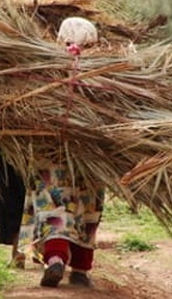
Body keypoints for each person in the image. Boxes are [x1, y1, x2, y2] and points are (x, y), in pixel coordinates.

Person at [17, 17, 105, 288]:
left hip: (49, 156)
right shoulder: (108, 74)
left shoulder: (44, 69)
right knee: (86, 209)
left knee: (53, 206)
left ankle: (55, 258)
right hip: (91, 156)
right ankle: (80, 269)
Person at [0, 0, 41, 269]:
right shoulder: (3, 43)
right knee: (20, 190)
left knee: (26, 191)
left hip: (23, 131)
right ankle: (20, 252)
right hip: (12, 130)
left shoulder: (40, 44)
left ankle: (25, 252)